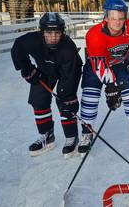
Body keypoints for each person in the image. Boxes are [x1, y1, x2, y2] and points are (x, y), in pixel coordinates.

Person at [79, 0, 129, 154]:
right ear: (106, 17)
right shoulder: (94, 35)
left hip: (119, 63)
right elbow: (99, 66)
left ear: (125, 18)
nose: (117, 22)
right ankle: (87, 132)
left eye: (121, 18)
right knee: (90, 96)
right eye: (113, 18)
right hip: (96, 63)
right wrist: (111, 87)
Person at [11, 12, 83, 158]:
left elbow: (72, 74)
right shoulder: (33, 40)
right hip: (44, 71)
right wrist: (27, 68)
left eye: (57, 33)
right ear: (41, 31)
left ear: (62, 32)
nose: (53, 37)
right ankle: (47, 135)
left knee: (66, 101)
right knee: (38, 99)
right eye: (48, 33)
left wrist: (66, 94)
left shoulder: (68, 49)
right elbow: (18, 46)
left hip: (66, 72)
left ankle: (71, 137)